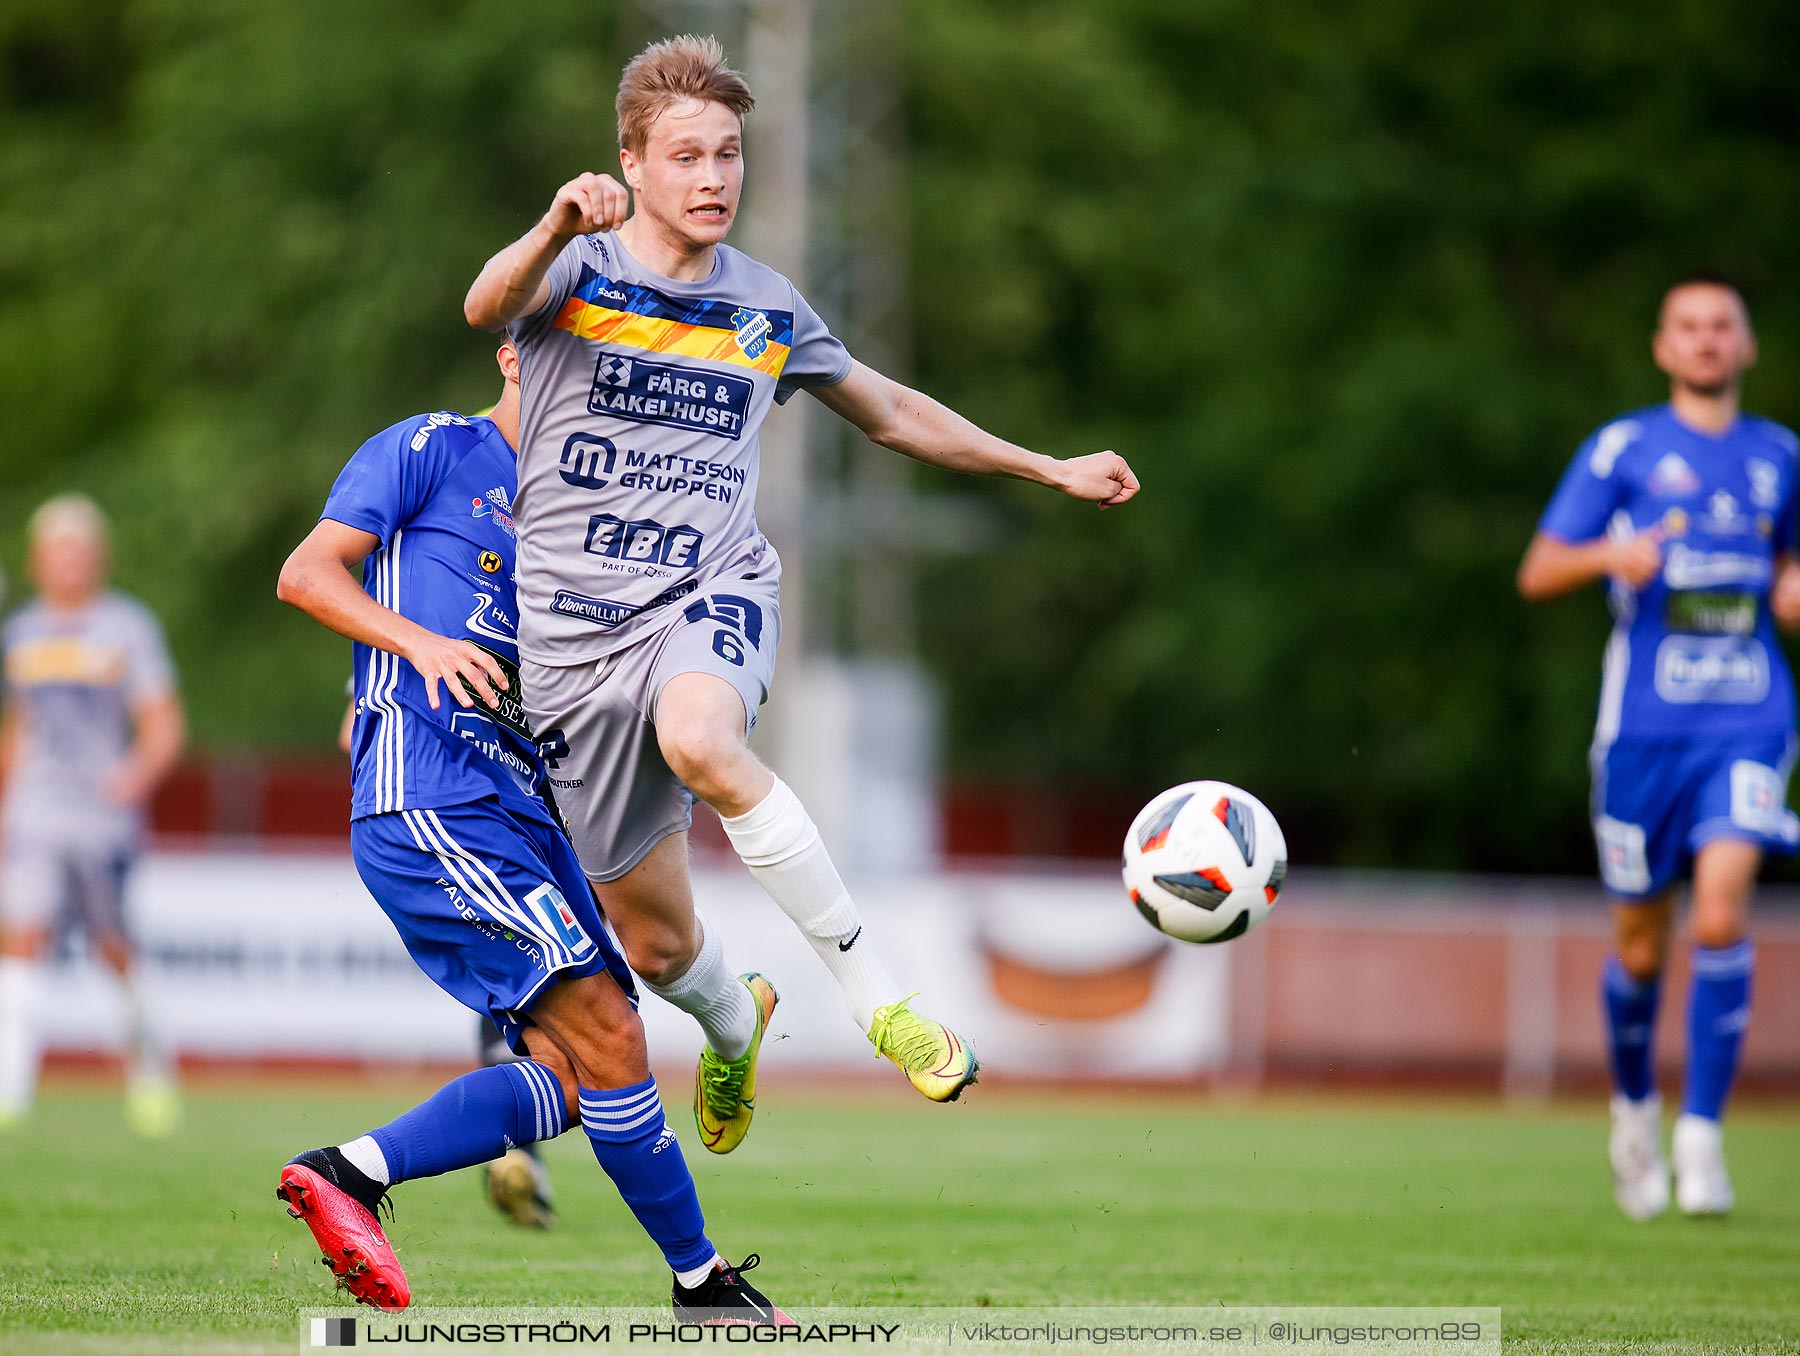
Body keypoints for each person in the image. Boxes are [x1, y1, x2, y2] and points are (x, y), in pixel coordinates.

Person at [463, 35, 1140, 1148]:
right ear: (631, 165)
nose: (715, 178)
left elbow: (891, 409)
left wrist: (1046, 464)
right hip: (572, 647)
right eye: (686, 157)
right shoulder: (578, 273)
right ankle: (739, 1027)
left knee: (701, 740)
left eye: (729, 154)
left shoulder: (765, 305)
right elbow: (488, 304)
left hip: (707, 593)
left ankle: (880, 1000)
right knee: (658, 950)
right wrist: (550, 226)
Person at [273, 338, 790, 1321]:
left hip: (527, 818)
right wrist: (418, 644)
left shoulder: (594, 526)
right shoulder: (432, 446)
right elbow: (307, 574)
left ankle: (353, 1171)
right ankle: (703, 1286)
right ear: (513, 359)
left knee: (579, 1066)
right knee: (607, 1032)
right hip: (433, 798)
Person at [1517, 272, 1800, 1219]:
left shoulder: (1781, 457)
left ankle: (1703, 1140)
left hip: (1750, 720)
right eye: (1690, 327)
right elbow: (1540, 567)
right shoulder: (1624, 449)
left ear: (1747, 346)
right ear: (1663, 347)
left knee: (1719, 916)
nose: (1708, 340)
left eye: (1724, 326)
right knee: (1640, 949)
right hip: (1641, 732)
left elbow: (1791, 570)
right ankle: (1635, 1109)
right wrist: (1612, 556)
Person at [0, 495, 186, 1136]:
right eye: (56, 551)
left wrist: (132, 775)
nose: (68, 563)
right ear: (36, 561)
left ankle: (150, 1070)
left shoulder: (126, 627)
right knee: (22, 933)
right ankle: (11, 1086)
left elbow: (162, 724)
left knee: (115, 949)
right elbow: (18, 729)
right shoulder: (21, 632)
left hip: (102, 817)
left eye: (79, 551)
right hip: (37, 813)